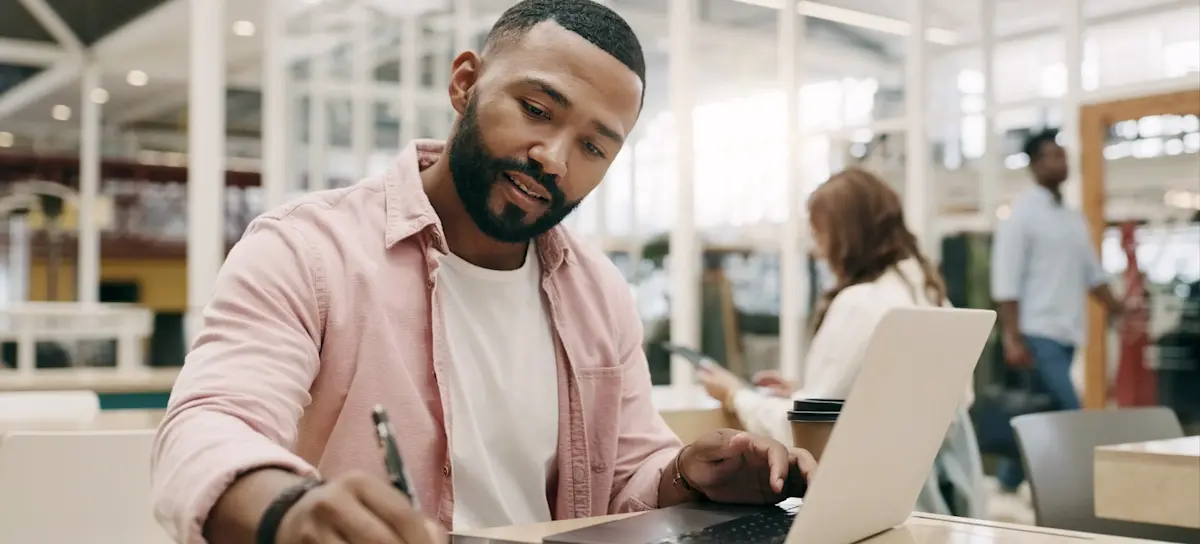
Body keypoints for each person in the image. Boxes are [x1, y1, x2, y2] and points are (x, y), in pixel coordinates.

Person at [150, 2, 815, 543]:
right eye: (537, 110)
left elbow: (624, 479)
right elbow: (210, 427)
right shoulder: (307, 250)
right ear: (465, 83)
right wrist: (289, 512)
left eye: (592, 145)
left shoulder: (597, 293)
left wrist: (688, 478)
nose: (554, 158)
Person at [695, 167, 986, 518]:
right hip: (930, 500)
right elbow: (935, 400)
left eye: (821, 236)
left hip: (863, 504)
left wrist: (734, 394)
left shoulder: (859, 304)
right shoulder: (926, 292)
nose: (819, 252)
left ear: (846, 235)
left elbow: (807, 432)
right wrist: (803, 391)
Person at [989, 129, 1126, 493]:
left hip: (1068, 333)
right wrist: (1012, 337)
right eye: (1052, 156)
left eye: (1063, 155)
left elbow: (1092, 275)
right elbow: (1007, 282)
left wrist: (1118, 308)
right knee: (1069, 413)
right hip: (1037, 332)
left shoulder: (1071, 219)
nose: (1062, 161)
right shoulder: (1022, 216)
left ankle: (1005, 482)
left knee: (1042, 412)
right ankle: (1081, 493)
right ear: (1034, 165)